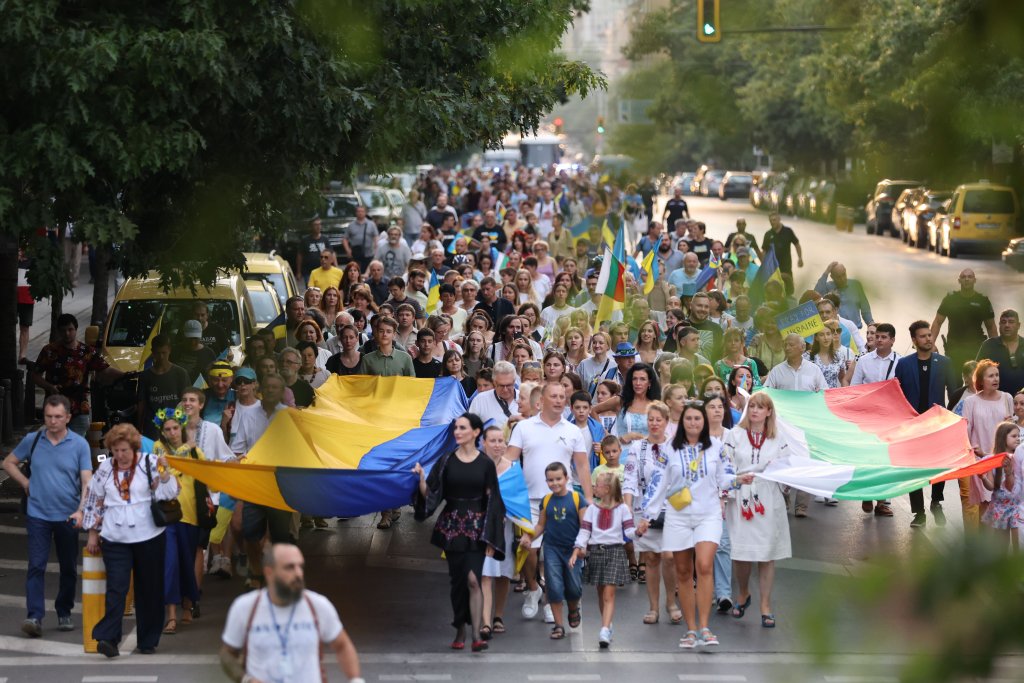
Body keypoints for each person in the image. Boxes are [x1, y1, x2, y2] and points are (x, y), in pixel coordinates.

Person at [637, 401, 737, 649]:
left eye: (697, 419)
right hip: (678, 516)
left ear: (704, 422)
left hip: (709, 515)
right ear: (682, 422)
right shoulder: (669, 449)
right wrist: (646, 516)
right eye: (689, 419)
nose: (693, 423)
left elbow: (725, 477)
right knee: (682, 571)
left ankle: (705, 627)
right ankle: (691, 630)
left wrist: (738, 479)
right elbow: (658, 484)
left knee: (703, 565)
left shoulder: (717, 447)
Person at [81, 423, 179, 657]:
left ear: (134, 447)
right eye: (116, 450)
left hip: (149, 536)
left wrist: (165, 475)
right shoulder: (105, 468)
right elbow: (94, 499)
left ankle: (147, 640)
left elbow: (170, 493)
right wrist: (93, 533)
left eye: (124, 450)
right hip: (115, 537)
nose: (120, 455)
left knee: (150, 589)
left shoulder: (149, 463)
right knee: (116, 587)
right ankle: (108, 638)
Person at [413, 413, 506, 652]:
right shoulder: (446, 460)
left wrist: (492, 538)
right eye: (456, 428)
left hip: (477, 529)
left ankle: (475, 634)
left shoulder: (485, 463)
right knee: (458, 583)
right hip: (452, 528)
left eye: (462, 428)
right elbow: (433, 494)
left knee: (474, 580)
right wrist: (422, 479)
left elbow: (493, 500)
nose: (457, 432)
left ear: (475, 432)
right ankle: (460, 629)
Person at [3, 395, 92, 638]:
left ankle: (64, 611)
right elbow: (9, 462)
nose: (52, 422)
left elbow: (87, 480)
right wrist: (24, 482)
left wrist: (81, 510)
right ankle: (34, 616)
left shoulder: (79, 444)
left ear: (68, 418)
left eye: (57, 417)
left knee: (68, 567)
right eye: (48, 417)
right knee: (36, 565)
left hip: (67, 514)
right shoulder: (33, 440)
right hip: (37, 514)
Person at [506, 382, 591, 622]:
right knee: (527, 550)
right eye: (553, 396)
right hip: (529, 500)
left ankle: (550, 601)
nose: (558, 400)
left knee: (555, 556)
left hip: (562, 502)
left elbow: (582, 465)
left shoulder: (573, 430)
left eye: (562, 396)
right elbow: (509, 460)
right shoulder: (523, 427)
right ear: (541, 400)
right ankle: (534, 589)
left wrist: (590, 500)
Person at [220, 543, 363, 683]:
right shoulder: (245, 607)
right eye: (290, 567)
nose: (298, 573)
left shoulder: (318, 605)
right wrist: (246, 680)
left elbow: (342, 645)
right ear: (269, 573)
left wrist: (356, 679)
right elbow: (227, 654)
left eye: (300, 566)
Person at [722, 392, 791, 628]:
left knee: (766, 554)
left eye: (760, 407)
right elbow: (725, 464)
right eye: (751, 406)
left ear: (769, 412)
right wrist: (732, 486)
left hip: (767, 498)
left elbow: (786, 469)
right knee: (741, 554)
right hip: (741, 495)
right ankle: (743, 593)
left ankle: (765, 604)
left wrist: (779, 475)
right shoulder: (735, 435)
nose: (755, 411)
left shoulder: (777, 438)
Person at [622, 403, 683, 625]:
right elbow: (629, 479)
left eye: (659, 419)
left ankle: (671, 602)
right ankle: (653, 607)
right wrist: (627, 506)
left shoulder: (676, 447)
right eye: (651, 419)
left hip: (672, 508)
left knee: (669, 557)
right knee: (650, 558)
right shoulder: (638, 448)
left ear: (667, 422)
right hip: (645, 508)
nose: (655, 424)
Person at [894, 321, 958, 529]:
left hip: (937, 423)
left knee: (939, 465)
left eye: (930, 335)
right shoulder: (904, 364)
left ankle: (936, 501)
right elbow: (897, 394)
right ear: (914, 340)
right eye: (923, 336)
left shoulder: (945, 362)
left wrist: (948, 415)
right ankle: (918, 512)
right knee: (914, 470)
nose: (928, 339)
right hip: (912, 425)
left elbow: (955, 391)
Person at [151, 408, 207, 635]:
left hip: (190, 514)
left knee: (186, 561)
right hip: (166, 515)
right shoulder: (157, 450)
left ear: (181, 428)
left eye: (175, 428)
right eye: (168, 429)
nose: (172, 432)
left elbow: (206, 473)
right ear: (162, 432)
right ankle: (171, 616)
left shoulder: (195, 451)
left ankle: (187, 605)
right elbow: (159, 475)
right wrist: (182, 454)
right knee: (170, 563)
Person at [518, 462, 586, 641]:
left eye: (558, 479)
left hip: (572, 550)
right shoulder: (546, 500)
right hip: (552, 549)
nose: (554, 483)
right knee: (554, 586)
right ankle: (558, 625)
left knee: (573, 588)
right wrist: (529, 537)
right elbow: (541, 525)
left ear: (566, 479)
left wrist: (582, 547)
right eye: (550, 480)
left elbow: (585, 527)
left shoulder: (578, 499)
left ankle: (573, 609)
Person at [32, 313, 125, 436]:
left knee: (75, 445)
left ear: (76, 330)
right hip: (55, 406)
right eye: (63, 330)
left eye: (70, 330)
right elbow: (35, 375)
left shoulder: (86, 352)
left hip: (80, 407)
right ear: (59, 332)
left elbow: (105, 370)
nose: (67, 334)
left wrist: (125, 375)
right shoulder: (49, 351)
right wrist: (49, 387)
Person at [571, 471, 635, 649]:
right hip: (596, 553)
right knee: (601, 592)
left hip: (615, 551)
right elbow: (585, 531)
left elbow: (629, 532)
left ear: (606, 489)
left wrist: (638, 532)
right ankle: (607, 623)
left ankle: (604, 629)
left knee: (609, 593)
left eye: (596, 484)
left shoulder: (623, 509)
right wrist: (577, 549)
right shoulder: (592, 509)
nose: (593, 487)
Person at [962, 360, 1015, 529]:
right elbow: (965, 430)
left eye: (997, 375)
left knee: (1003, 503)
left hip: (1002, 459)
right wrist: (972, 452)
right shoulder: (971, 401)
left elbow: (1012, 430)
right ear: (981, 380)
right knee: (985, 505)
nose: (995, 378)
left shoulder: (1007, 398)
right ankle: (983, 548)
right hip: (981, 460)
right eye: (990, 375)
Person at [479, 426, 518, 637]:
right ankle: (485, 622)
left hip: (505, 530)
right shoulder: (476, 468)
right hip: (482, 530)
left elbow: (519, 503)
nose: (497, 445)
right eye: (492, 441)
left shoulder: (513, 469)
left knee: (503, 574)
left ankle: (498, 616)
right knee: (485, 574)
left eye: (500, 441)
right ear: (484, 443)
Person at [931, 269, 996, 374]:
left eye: (970, 277)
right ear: (959, 280)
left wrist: (995, 348)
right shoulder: (950, 299)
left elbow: (991, 327)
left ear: (974, 280)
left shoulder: (982, 301)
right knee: (954, 383)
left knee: (975, 383)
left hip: (976, 348)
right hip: (954, 347)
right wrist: (931, 343)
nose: (967, 279)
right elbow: (938, 322)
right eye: (964, 277)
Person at [137, 334, 191, 440]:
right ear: (152, 352)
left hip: (176, 426)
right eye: (158, 353)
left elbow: (188, 401)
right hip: (153, 428)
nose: (161, 357)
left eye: (164, 353)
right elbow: (141, 403)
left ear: (169, 350)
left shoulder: (180, 374)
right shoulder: (145, 376)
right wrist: (139, 427)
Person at [980, 423, 1022, 545]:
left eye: (1019, 436)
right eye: (1014, 436)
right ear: (1003, 438)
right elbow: (991, 486)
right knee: (1001, 544)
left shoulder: (1019, 458)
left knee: (1017, 544)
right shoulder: (992, 460)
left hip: (1017, 507)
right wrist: (983, 477)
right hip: (1000, 507)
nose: (1018, 438)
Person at [975, 309, 1024, 395]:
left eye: (1011, 322)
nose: (1007, 325)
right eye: (1003, 322)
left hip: (1021, 402)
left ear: (1018, 325)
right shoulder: (989, 345)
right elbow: (978, 373)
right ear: (999, 325)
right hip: (994, 399)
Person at [814, 262, 874, 329]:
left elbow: (865, 308)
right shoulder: (828, 287)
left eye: (843, 275)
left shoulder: (856, 285)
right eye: (838, 277)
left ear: (845, 271)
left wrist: (871, 324)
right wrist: (826, 272)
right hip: (835, 330)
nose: (842, 279)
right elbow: (815, 295)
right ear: (832, 277)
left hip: (855, 329)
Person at [760, 212, 803, 296]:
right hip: (772, 269)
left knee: (788, 291)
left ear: (779, 219)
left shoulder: (788, 231)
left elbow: (797, 244)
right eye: (770, 220)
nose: (772, 222)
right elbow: (764, 251)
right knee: (773, 291)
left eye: (774, 220)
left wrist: (800, 258)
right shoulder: (768, 234)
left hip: (786, 267)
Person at [341, 205, 378, 270]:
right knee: (356, 271)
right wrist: (348, 250)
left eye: (362, 211)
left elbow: (376, 237)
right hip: (356, 254)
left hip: (369, 254)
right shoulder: (351, 225)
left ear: (365, 212)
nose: (360, 213)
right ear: (356, 213)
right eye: (358, 211)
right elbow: (344, 239)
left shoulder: (371, 224)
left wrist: (376, 249)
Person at [296, 216, 329, 283]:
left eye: (319, 224)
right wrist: (298, 272)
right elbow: (300, 256)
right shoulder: (305, 240)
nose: (318, 227)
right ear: (311, 227)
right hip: (309, 272)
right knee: (311, 291)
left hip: (323, 270)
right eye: (316, 225)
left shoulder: (325, 239)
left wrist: (335, 266)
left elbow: (331, 253)